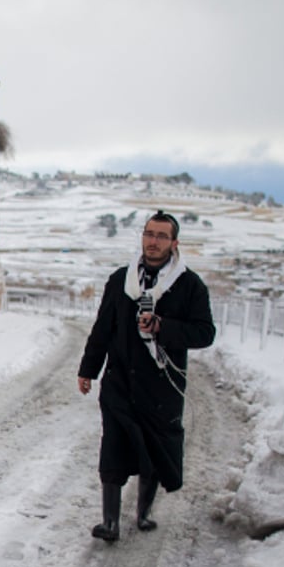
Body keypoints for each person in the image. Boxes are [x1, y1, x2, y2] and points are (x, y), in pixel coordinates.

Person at [77, 210, 216, 542]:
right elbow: (102, 330)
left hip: (161, 387)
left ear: (174, 243)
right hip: (119, 380)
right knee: (113, 445)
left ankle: (143, 514)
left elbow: (205, 333)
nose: (153, 242)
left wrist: (163, 327)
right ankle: (110, 523)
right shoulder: (120, 280)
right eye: (149, 234)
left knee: (153, 448)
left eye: (161, 236)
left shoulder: (188, 286)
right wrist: (88, 370)